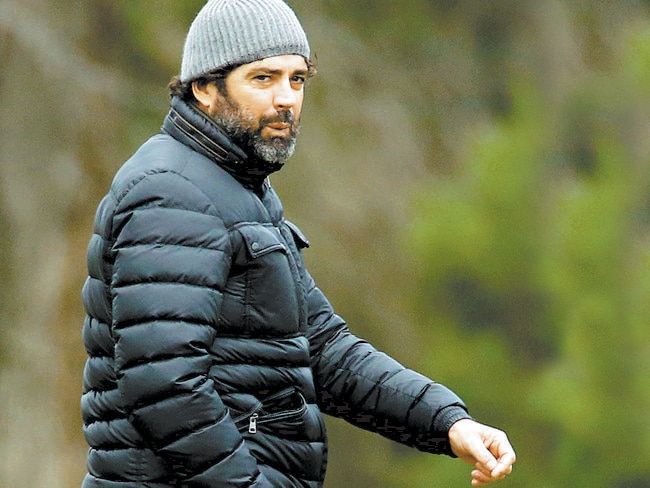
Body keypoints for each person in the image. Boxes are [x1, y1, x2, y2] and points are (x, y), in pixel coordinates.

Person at [80, 1, 516, 487]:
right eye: (263, 79)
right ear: (204, 87)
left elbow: (324, 349)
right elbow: (164, 386)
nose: (286, 98)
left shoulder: (239, 190)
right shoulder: (172, 192)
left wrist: (448, 422)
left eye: (297, 79)